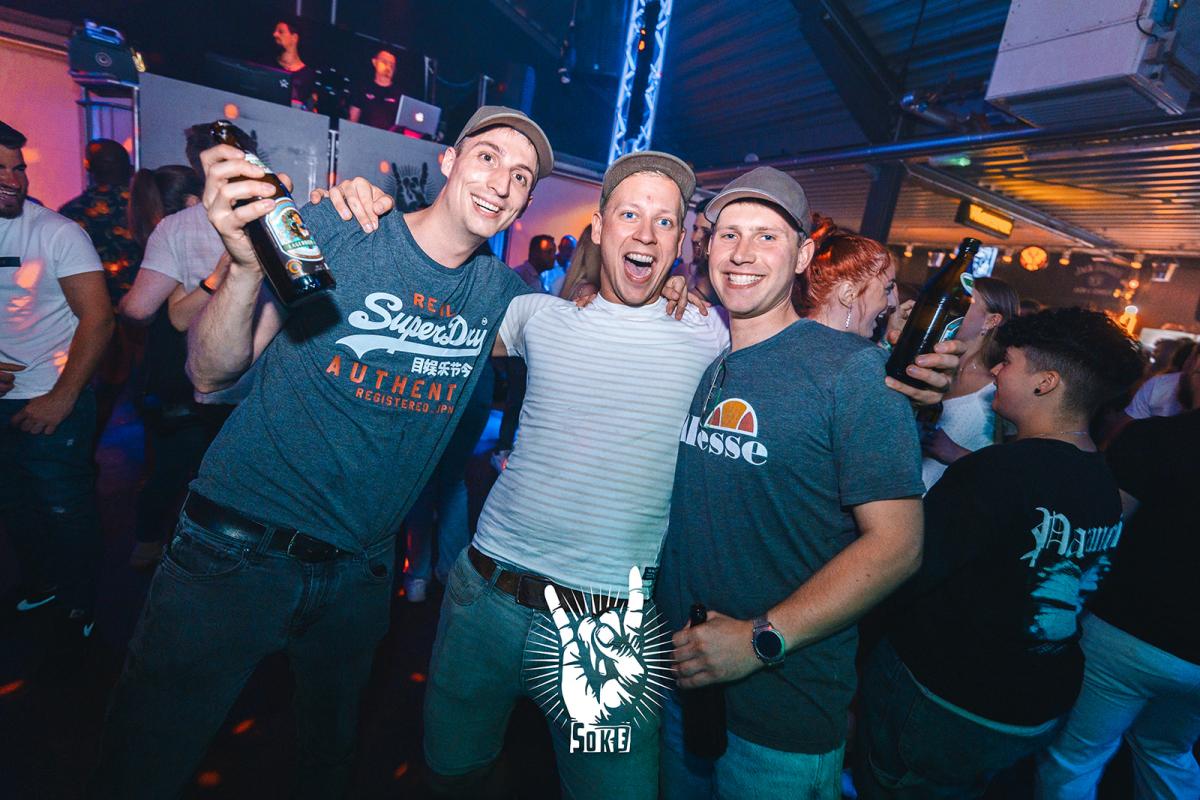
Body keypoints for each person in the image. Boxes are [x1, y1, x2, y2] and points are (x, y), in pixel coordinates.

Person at [91, 106, 555, 800]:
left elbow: (593, 323)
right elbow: (210, 374)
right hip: (234, 550)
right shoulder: (342, 227)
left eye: (521, 176)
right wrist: (242, 268)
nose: (501, 182)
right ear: (450, 161)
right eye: (488, 157)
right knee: (145, 759)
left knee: (327, 762)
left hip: (360, 574)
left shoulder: (501, 296)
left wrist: (671, 290)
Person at [422, 151, 725, 800]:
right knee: (454, 774)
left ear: (680, 242)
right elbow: (430, 328)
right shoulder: (539, 315)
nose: (647, 233)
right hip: (487, 599)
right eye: (630, 215)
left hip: (609, 629)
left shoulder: (707, 333)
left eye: (665, 222)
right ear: (599, 226)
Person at [657, 167, 931, 800]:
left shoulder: (853, 371)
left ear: (804, 256)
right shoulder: (710, 355)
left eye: (766, 236)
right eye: (728, 235)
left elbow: (899, 546)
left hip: (780, 715)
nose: (742, 254)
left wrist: (761, 638)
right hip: (681, 685)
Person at [856, 308, 1145, 799]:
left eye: (1008, 362)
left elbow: (905, 570)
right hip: (1030, 706)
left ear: (1045, 383)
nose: (994, 370)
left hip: (947, 700)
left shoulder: (999, 472)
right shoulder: (1101, 479)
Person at [1036, 358, 1200, 799]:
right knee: (1166, 751)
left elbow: (1102, 524)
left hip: (1130, 634)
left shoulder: (1158, 438)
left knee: (1075, 758)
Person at [0, 120, 114, 644]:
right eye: (0, 170)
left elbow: (100, 319)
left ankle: (78, 603)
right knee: (14, 505)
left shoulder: (58, 232)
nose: (13, 180)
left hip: (52, 397)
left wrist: (62, 398)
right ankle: (42, 583)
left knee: (64, 508)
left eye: (18, 168)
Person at [121, 164, 214, 568]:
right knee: (182, 468)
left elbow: (136, 309)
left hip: (166, 373)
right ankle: (158, 550)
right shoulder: (179, 238)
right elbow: (163, 314)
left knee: (167, 466)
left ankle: (149, 545)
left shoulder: (158, 237)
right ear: (193, 201)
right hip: (183, 375)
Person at [59, 138, 144, 442]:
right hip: (143, 315)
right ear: (128, 168)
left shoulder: (70, 213)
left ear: (89, 168)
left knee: (98, 389)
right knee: (150, 395)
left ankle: (86, 448)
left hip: (92, 316)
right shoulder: (144, 208)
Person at [919, 276, 1020, 490]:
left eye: (965, 303)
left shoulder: (998, 388)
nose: (952, 308)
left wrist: (956, 453)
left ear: (991, 321)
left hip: (951, 504)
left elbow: (1015, 472)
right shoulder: (930, 368)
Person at [348, 48, 402, 130]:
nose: (388, 67)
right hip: (364, 135)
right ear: (374, 62)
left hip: (389, 137)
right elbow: (352, 120)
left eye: (392, 65)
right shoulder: (363, 89)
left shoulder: (399, 95)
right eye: (384, 62)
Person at [272, 17, 316, 109]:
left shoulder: (308, 75)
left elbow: (311, 108)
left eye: (281, 32)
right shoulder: (269, 64)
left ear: (294, 38)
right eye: (275, 31)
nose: (275, 34)